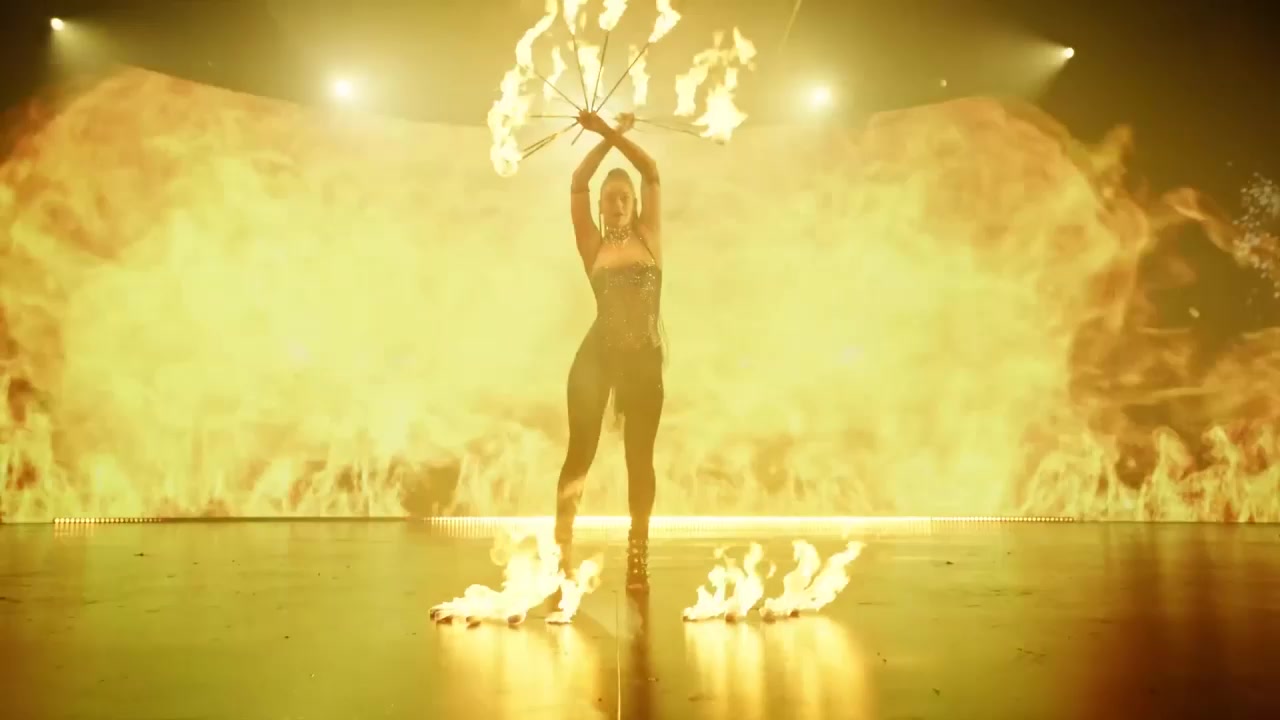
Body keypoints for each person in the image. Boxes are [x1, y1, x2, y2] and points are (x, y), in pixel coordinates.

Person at [554, 109, 664, 592]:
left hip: (643, 359)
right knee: (580, 452)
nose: (617, 203)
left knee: (639, 460)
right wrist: (603, 138)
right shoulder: (592, 245)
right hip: (597, 357)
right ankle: (561, 550)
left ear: (635, 205)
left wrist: (613, 132)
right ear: (599, 206)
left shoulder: (648, 237)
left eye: (624, 197)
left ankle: (637, 556)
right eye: (610, 198)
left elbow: (651, 171)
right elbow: (578, 181)